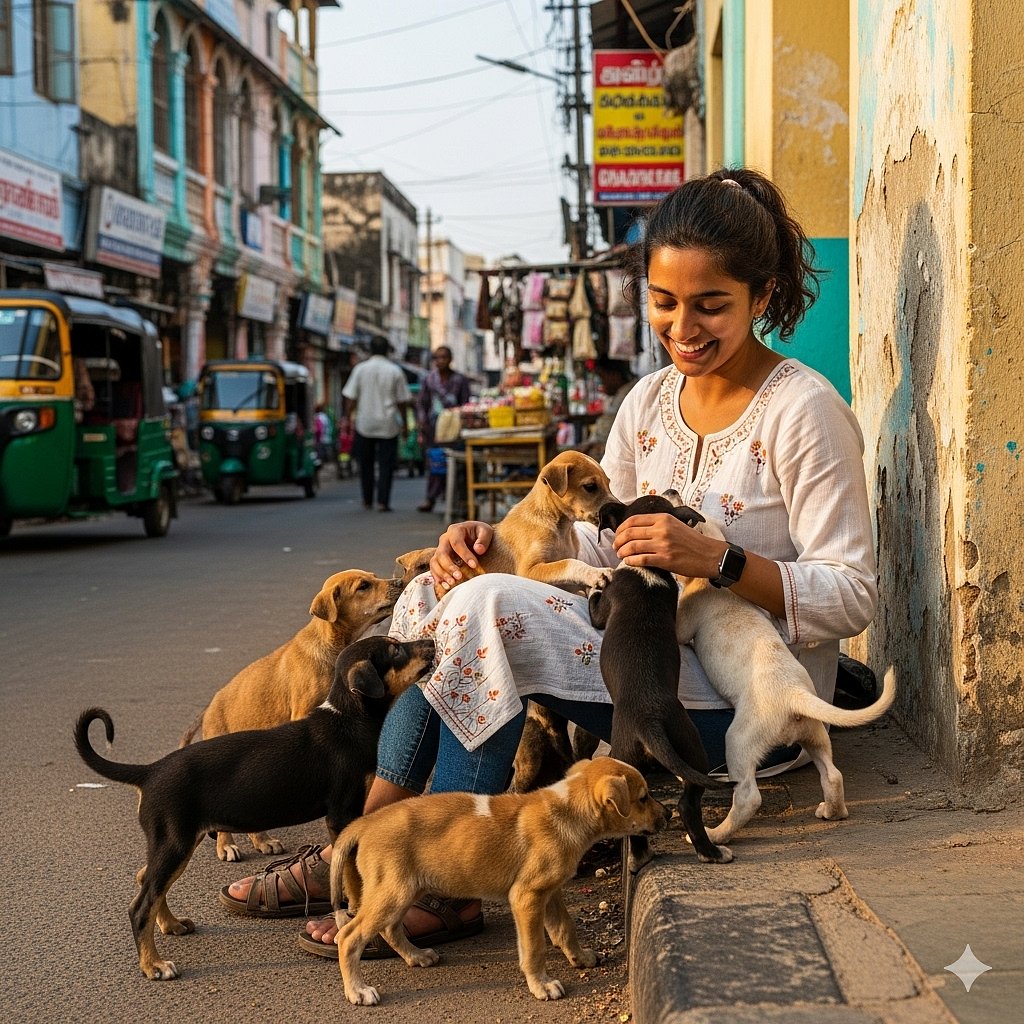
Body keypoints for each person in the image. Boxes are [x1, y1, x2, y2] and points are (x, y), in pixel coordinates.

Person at [223, 167, 877, 959]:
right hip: (638, 674)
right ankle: (379, 839)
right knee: (446, 593)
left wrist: (720, 556)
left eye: (712, 306)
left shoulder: (806, 413)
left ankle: (405, 862)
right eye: (665, 303)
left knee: (486, 611)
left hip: (742, 712)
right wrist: (485, 545)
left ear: (763, 296)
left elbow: (852, 596)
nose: (684, 327)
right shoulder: (648, 404)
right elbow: (597, 549)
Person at [341, 335, 412, 512]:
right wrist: (404, 424)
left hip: (365, 423)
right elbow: (402, 401)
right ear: (388, 350)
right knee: (386, 464)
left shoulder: (360, 369)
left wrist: (346, 419)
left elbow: (350, 397)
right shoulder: (395, 371)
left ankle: (367, 499)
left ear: (370, 350)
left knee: (366, 464)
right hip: (388, 424)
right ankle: (382, 501)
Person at [414, 346, 471, 513]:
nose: (441, 361)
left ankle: (461, 500)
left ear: (450, 359)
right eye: (437, 358)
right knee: (435, 463)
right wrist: (421, 425)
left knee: (459, 464)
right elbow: (422, 403)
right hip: (433, 429)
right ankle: (431, 498)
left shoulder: (460, 380)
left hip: (455, 430)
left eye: (444, 357)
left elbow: (466, 404)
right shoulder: (429, 379)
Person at [576, 355, 637, 460]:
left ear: (613, 375)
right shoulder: (619, 394)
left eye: (602, 377)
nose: (601, 384)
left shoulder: (629, 393)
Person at [313, 402, 334, 468]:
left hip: (321, 437)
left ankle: (322, 462)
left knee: (320, 451)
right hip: (326, 435)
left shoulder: (318, 417)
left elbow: (319, 429)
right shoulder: (325, 416)